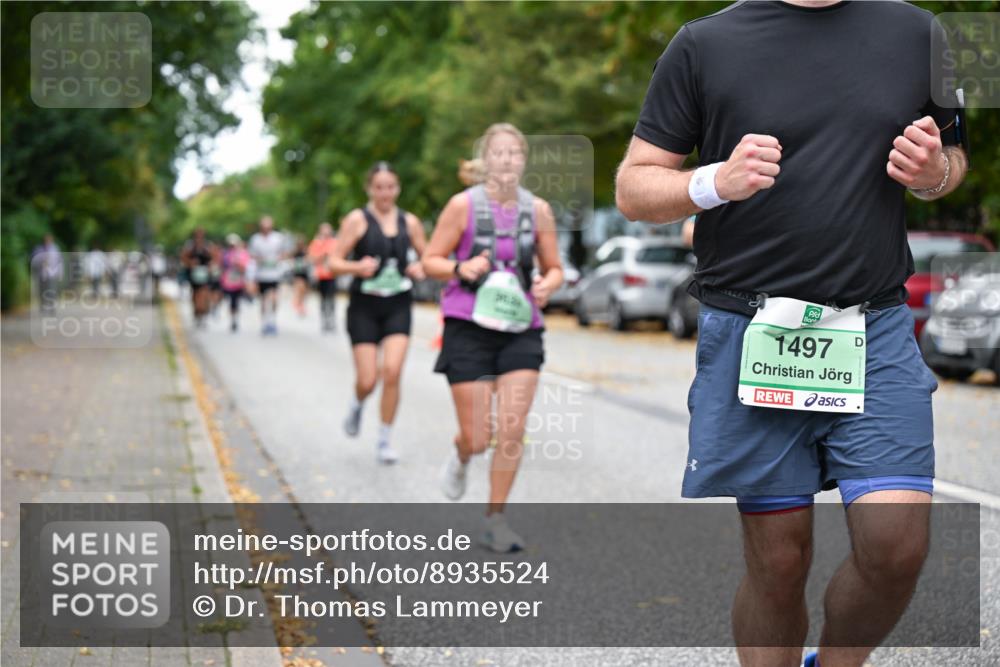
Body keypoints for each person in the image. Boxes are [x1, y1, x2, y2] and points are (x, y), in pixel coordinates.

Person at [615, 2, 968, 666]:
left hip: (875, 324)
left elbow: (952, 160)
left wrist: (934, 175)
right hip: (755, 329)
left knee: (897, 545)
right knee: (779, 559)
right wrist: (714, 182)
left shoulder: (920, 34)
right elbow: (634, 186)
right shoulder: (703, 44)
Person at [422, 123, 563, 552]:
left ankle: (494, 519)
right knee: (479, 436)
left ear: (523, 160)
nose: (506, 160)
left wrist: (548, 285)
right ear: (486, 160)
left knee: (512, 429)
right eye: (498, 153)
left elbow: (554, 266)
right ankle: (463, 452)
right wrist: (458, 269)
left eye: (514, 153)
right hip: (468, 328)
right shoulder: (461, 207)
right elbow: (430, 260)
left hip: (521, 329)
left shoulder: (538, 211)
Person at [328, 162, 427, 464]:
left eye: (391, 187)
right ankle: (358, 403)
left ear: (398, 188)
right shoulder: (357, 220)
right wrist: (356, 267)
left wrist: (420, 268)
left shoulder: (409, 222)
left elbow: (431, 258)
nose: (385, 193)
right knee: (369, 379)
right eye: (379, 187)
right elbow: (333, 262)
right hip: (364, 307)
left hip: (397, 304)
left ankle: (384, 438)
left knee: (393, 372)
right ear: (369, 189)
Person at [248, 216, 287, 336]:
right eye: (264, 227)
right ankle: (265, 323)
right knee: (264, 300)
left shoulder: (278, 238)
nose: (266, 229)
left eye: (268, 227)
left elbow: (284, 253)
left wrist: (278, 259)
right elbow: (252, 255)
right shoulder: (255, 239)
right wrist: (261, 260)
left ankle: (272, 321)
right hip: (262, 274)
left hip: (274, 274)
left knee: (274, 298)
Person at [180, 228, 216, 328]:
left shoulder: (208, 245)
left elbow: (215, 257)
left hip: (205, 274)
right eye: (197, 235)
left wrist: (210, 266)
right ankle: (197, 312)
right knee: (195, 294)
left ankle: (203, 313)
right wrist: (190, 263)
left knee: (204, 294)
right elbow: (183, 257)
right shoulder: (190, 246)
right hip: (193, 274)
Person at [309, 222, 339, 332]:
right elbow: (312, 258)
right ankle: (324, 320)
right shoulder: (316, 243)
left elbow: (337, 256)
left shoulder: (334, 242)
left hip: (332, 274)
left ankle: (331, 320)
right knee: (323, 299)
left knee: (331, 298)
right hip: (321, 275)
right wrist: (323, 255)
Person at [220, 233, 251, 332]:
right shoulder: (225, 254)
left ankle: (235, 319)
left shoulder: (243, 253)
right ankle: (232, 320)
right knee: (231, 301)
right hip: (228, 281)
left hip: (239, 281)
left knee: (237, 301)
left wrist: (238, 264)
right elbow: (222, 266)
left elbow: (246, 267)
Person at [31, 234, 63, 314]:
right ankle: (43, 306)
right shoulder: (38, 249)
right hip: (41, 274)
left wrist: (60, 273)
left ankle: (52, 307)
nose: (47, 241)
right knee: (42, 290)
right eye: (46, 240)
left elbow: (59, 261)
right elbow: (33, 260)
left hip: (52, 273)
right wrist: (41, 261)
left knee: (52, 290)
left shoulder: (55, 249)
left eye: (49, 240)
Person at [290, 235, 311, 317]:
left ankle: (300, 304)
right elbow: (292, 262)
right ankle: (298, 304)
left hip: (304, 274)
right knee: (299, 289)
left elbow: (309, 260)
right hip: (297, 274)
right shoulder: (295, 253)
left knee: (304, 291)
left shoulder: (306, 252)